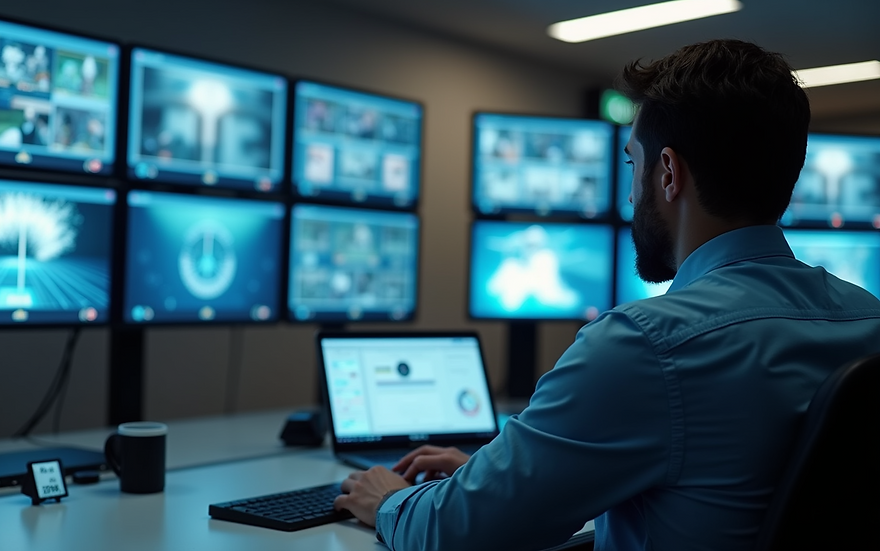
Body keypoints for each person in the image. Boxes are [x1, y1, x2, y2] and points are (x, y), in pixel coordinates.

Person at [333, 39, 880, 551]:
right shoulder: (868, 320)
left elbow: (453, 533)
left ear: (667, 173)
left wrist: (389, 500)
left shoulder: (646, 346)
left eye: (631, 164)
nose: (629, 189)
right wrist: (498, 475)